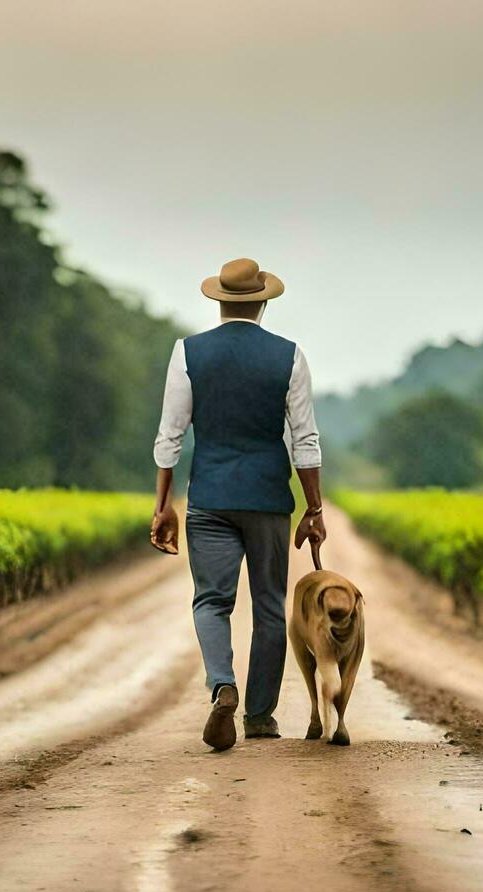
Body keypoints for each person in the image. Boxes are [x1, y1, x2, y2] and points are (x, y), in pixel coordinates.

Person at [149, 257, 326, 750]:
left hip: (209, 497)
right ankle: (260, 715)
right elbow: (305, 440)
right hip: (268, 499)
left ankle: (222, 684)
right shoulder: (288, 355)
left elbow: (170, 435)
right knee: (269, 606)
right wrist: (313, 508)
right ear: (263, 302)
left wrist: (164, 504)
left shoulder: (189, 352)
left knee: (211, 601)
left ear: (219, 301)